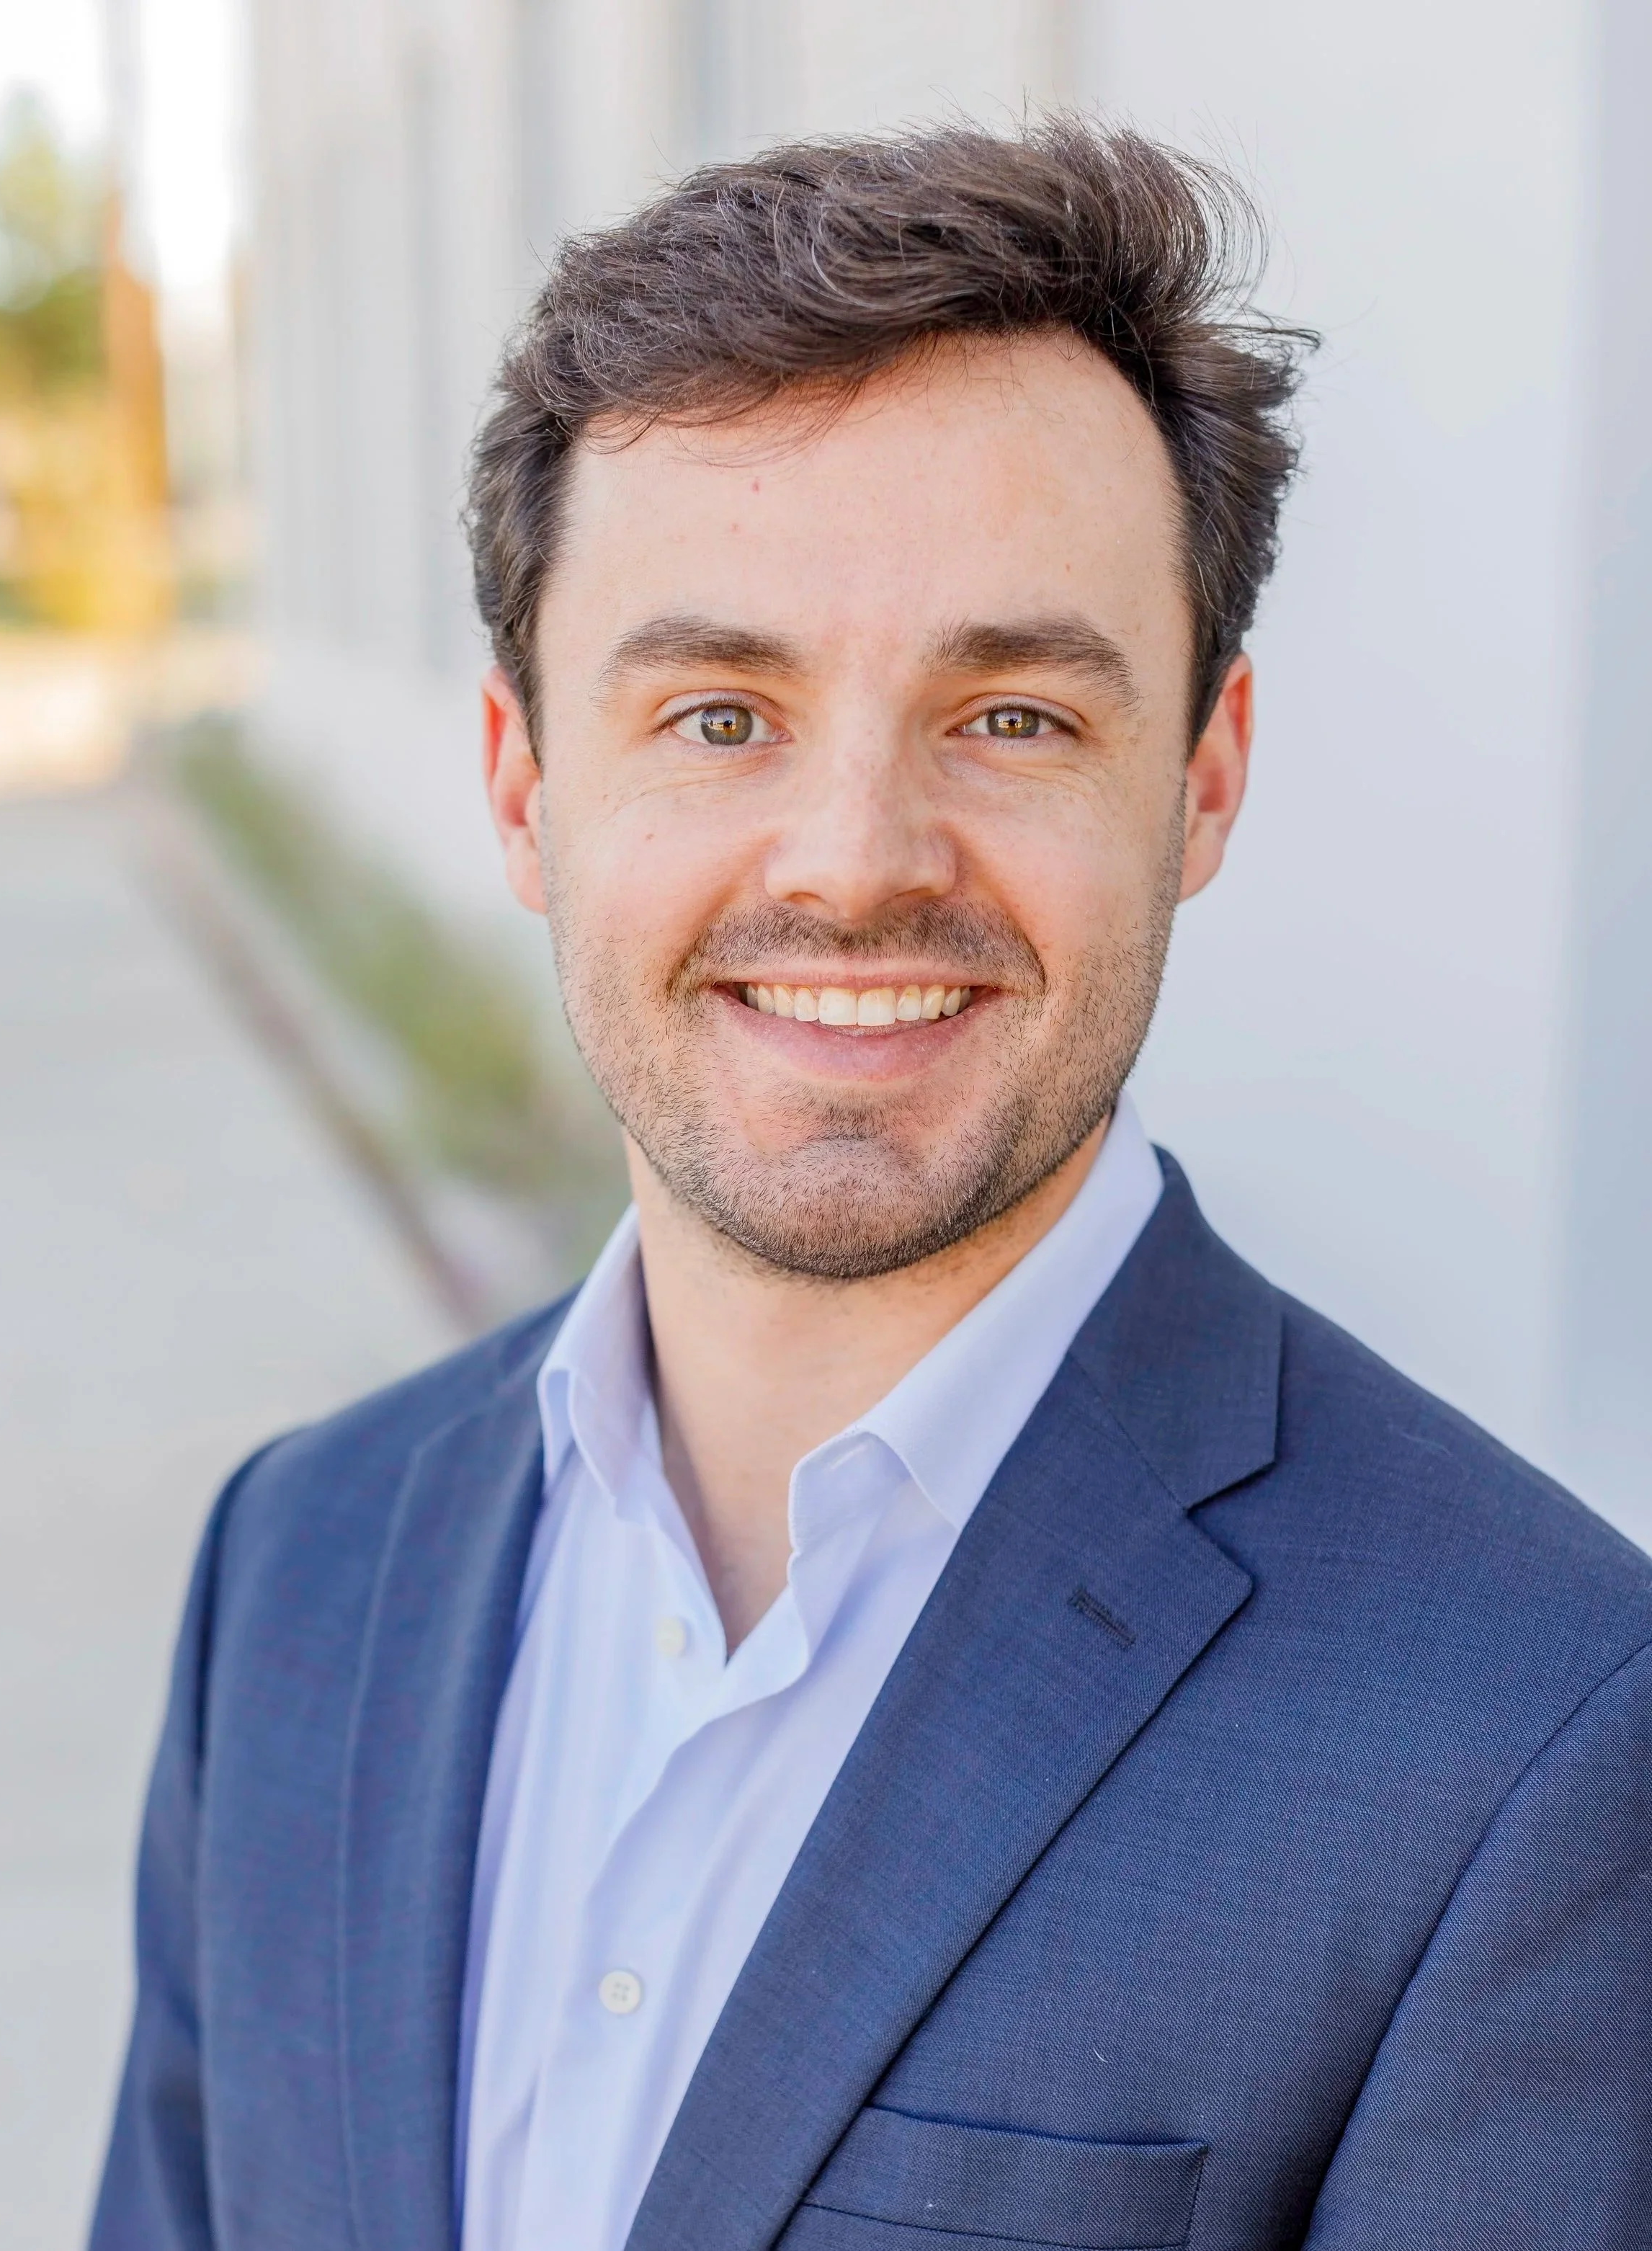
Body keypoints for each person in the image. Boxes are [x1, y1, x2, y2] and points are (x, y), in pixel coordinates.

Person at [91, 120, 1652, 2251]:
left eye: (1009, 715)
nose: (851, 859)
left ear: (1203, 775)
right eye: (720, 714)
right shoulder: (297, 1569)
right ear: (525, 786)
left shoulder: (1535, 1742)